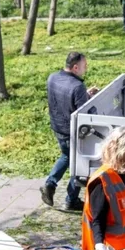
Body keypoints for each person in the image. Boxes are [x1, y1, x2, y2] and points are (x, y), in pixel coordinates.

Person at [40, 52, 98, 210]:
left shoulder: (52, 77)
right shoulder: (77, 86)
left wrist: (85, 95)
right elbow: (83, 112)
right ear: (75, 67)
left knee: (67, 156)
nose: (86, 69)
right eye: (84, 66)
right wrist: (90, 99)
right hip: (71, 131)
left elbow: (65, 99)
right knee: (80, 163)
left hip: (58, 127)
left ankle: (50, 184)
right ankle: (70, 200)